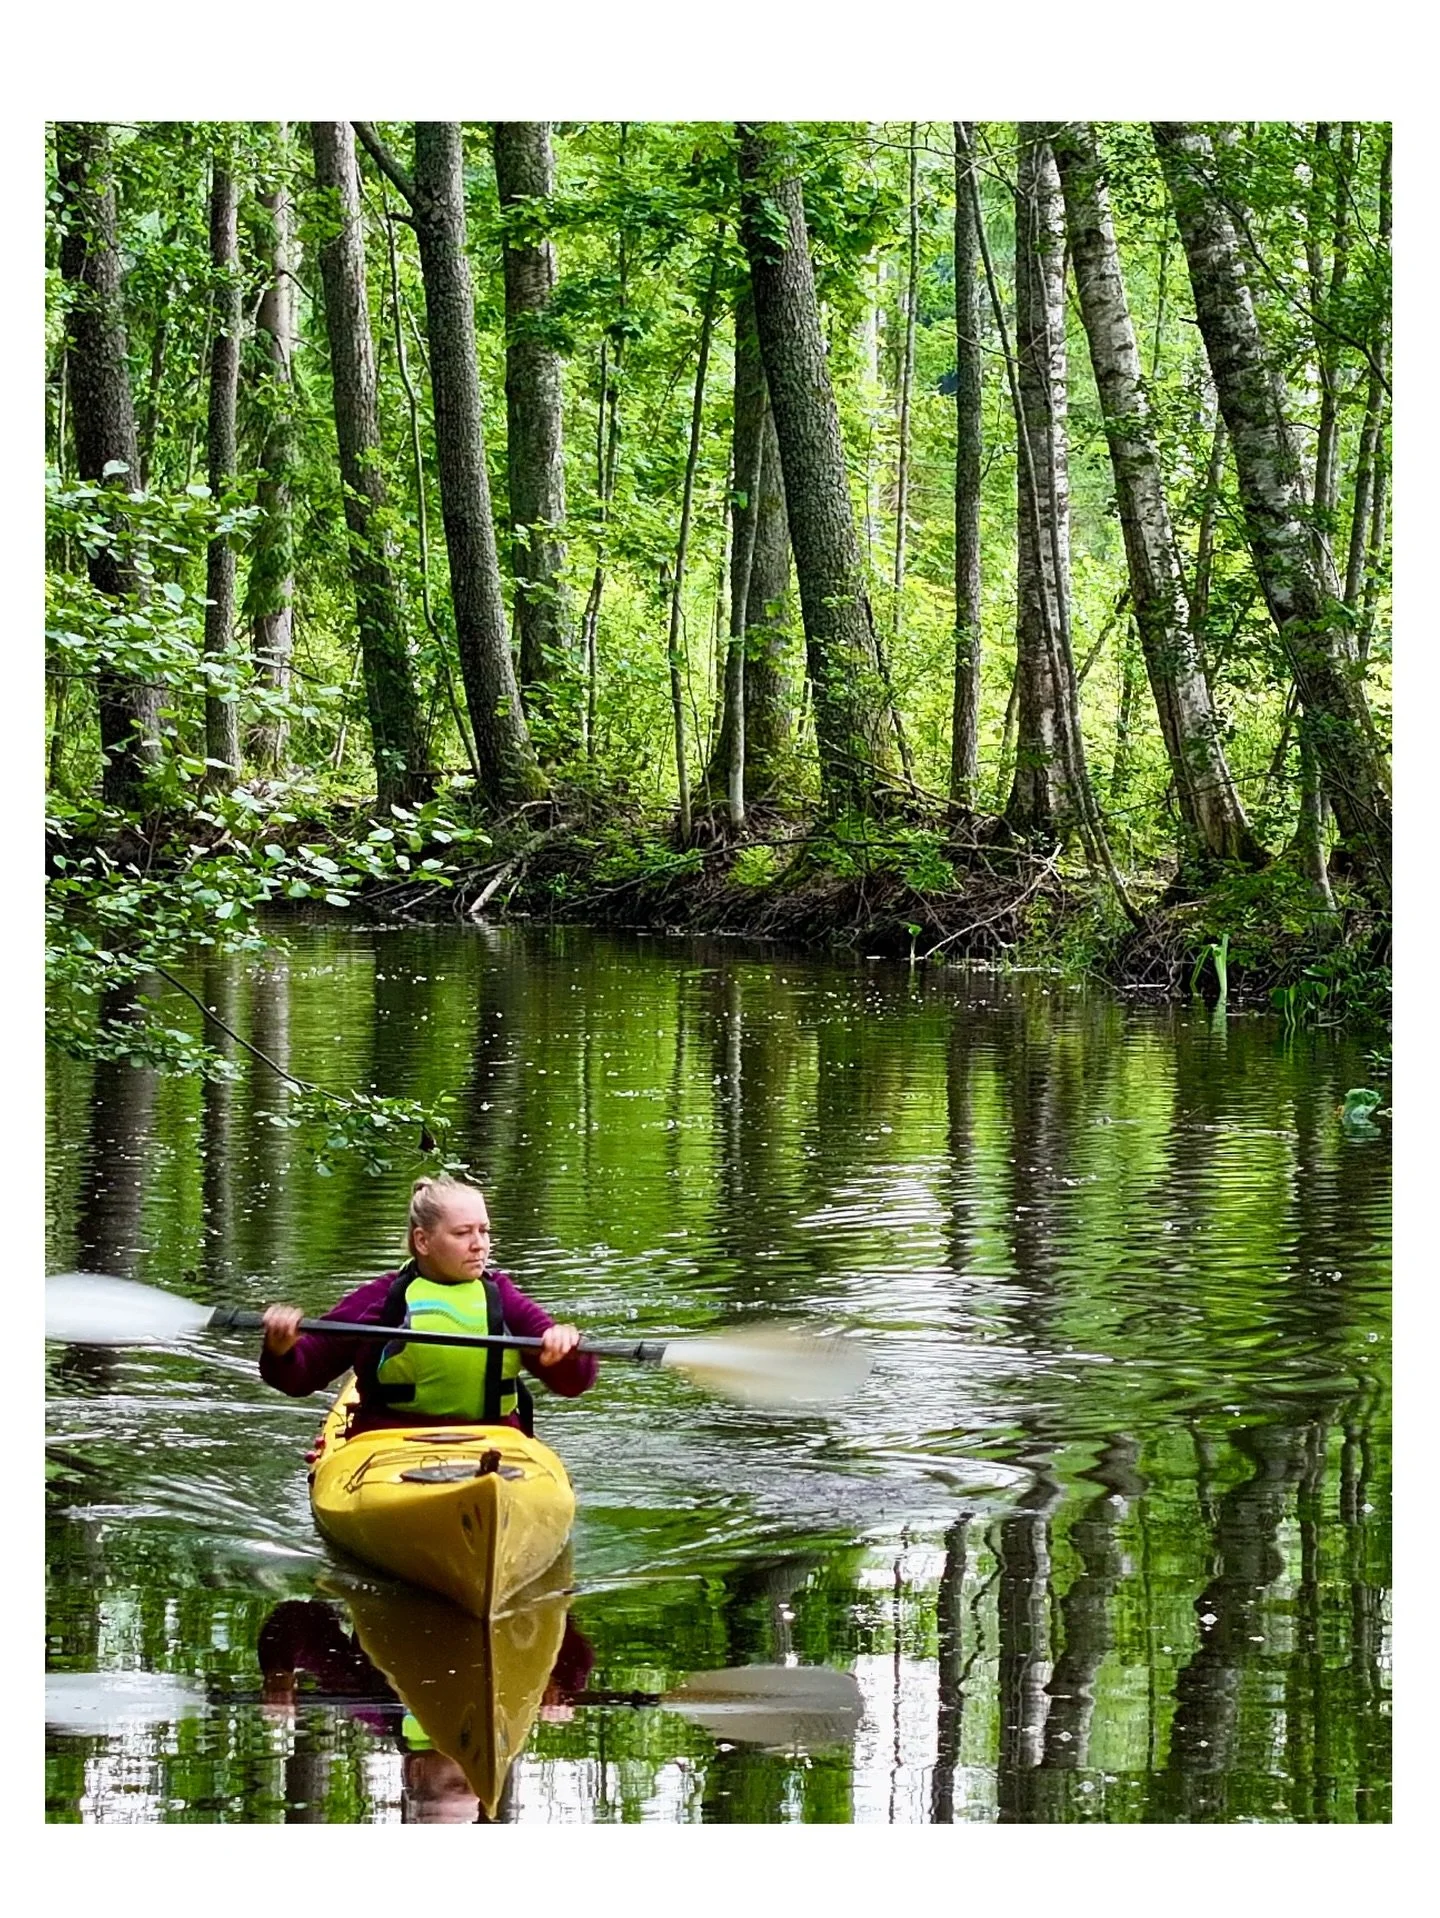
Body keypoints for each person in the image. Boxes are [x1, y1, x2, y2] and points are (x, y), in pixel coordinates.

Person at [259, 1175, 597, 1433]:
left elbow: (574, 1383)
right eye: (463, 1233)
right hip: (391, 1444)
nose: (479, 1245)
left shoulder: (503, 1298)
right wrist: (281, 1349)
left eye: (484, 1231)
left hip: (493, 1442)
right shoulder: (380, 1300)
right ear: (423, 1240)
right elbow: (299, 1377)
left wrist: (567, 1350)